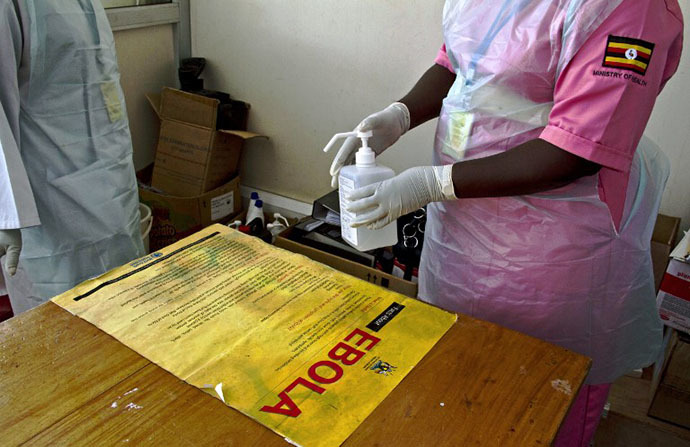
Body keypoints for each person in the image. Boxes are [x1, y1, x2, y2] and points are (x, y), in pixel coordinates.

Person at [326, 0, 683, 445]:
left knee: (546, 403)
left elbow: (577, 149)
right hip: (462, 230)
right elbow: (461, 61)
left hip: (556, 251)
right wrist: (399, 115)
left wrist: (432, 184)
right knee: (464, 386)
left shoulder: (629, 8)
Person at [0, 0, 145, 314]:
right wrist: (5, 213)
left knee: (129, 313)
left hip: (115, 188)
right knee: (63, 333)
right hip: (54, 207)